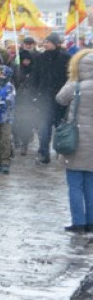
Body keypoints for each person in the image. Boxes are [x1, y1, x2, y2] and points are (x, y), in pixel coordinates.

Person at [55, 50, 93, 233]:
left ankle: (78, 222)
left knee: (75, 185)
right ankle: (91, 221)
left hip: (76, 141)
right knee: (91, 184)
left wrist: (72, 80)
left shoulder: (75, 86)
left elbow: (60, 99)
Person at [33, 33, 71, 163]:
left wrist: (67, 95)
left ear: (56, 44)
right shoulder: (40, 58)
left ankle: (62, 153)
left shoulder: (66, 58)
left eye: (48, 42)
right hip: (44, 98)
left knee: (61, 128)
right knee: (44, 127)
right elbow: (36, 77)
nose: (45, 44)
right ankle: (43, 153)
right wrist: (36, 93)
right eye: (45, 42)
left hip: (61, 99)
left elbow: (70, 78)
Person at [12, 49, 38, 155]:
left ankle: (24, 143)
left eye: (28, 60)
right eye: (24, 60)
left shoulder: (34, 71)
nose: (26, 62)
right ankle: (17, 138)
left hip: (29, 101)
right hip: (17, 100)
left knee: (26, 123)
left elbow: (36, 84)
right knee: (16, 122)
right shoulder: (16, 70)